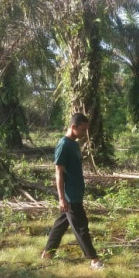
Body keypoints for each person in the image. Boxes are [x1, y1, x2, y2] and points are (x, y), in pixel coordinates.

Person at [42, 113, 104, 269]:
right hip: (70, 196)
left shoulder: (74, 144)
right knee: (81, 227)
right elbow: (59, 172)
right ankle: (94, 260)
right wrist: (62, 198)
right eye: (82, 130)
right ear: (73, 127)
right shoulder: (63, 145)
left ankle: (47, 254)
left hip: (76, 193)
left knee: (61, 224)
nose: (84, 134)